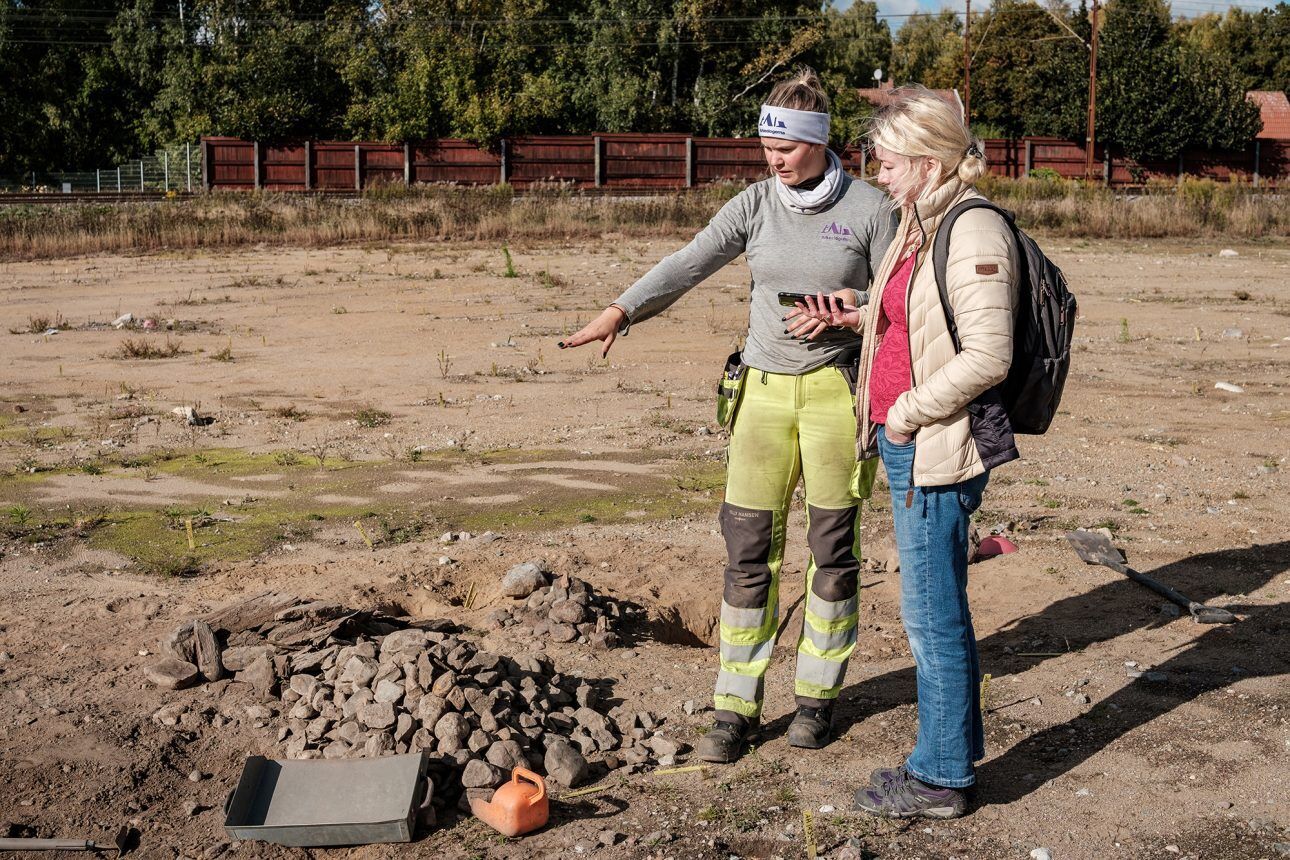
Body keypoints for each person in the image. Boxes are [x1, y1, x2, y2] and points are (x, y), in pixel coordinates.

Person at [561, 68, 895, 762]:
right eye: (767, 146)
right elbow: (690, 261)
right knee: (748, 555)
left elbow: (903, 305)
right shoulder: (754, 204)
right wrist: (621, 310)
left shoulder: (870, 208)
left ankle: (816, 701)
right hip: (762, 398)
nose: (773, 159)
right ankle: (735, 709)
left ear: (819, 142)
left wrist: (857, 318)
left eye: (788, 148)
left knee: (832, 554)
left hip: (837, 395)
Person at [790, 85, 1021, 818]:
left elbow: (989, 354)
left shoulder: (972, 229)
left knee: (931, 617)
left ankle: (941, 778)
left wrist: (905, 417)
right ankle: (948, 763)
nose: (878, 174)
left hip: (932, 448)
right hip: (910, 444)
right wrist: (858, 314)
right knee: (933, 610)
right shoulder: (921, 222)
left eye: (887, 162)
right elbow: (919, 320)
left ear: (925, 161)